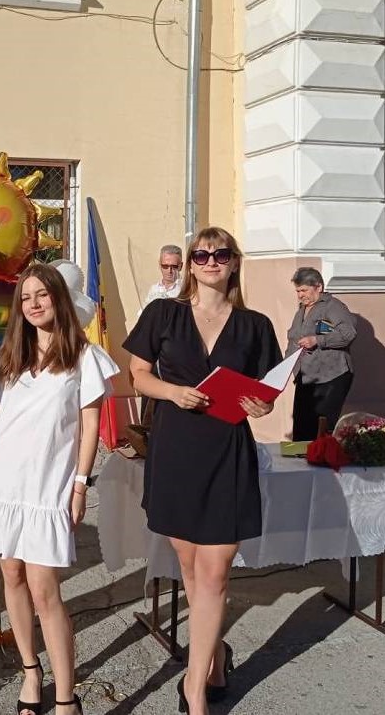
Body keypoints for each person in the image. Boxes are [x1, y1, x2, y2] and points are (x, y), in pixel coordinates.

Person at [123, 227, 282, 715]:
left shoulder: (254, 325)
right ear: (191, 264)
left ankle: (194, 690)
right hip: (176, 450)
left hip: (227, 450)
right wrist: (173, 392)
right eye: (201, 254)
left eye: (220, 254)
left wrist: (261, 406)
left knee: (214, 572)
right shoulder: (163, 313)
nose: (211, 261)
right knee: (191, 566)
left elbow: (267, 391)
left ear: (234, 262)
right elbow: (137, 376)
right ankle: (213, 661)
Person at [0, 264, 119, 715]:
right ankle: (31, 671)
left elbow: (90, 427)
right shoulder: (8, 357)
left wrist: (80, 485)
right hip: (2, 481)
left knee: (45, 591)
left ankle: (66, 696)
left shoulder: (85, 357)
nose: (33, 304)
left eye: (41, 295)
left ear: (59, 299)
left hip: (47, 486)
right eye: (25, 297)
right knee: (11, 575)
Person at [286, 267, 356, 440]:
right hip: (306, 378)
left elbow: (348, 334)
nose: (300, 295)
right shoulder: (301, 311)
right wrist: (286, 368)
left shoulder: (334, 307)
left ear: (318, 287)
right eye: (297, 291)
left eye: (304, 290)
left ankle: (321, 457)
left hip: (331, 377)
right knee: (301, 429)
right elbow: (293, 340)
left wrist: (317, 340)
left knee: (321, 430)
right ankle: (303, 458)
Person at [141, 244, 183, 309]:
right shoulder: (154, 289)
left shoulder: (186, 289)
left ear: (181, 266)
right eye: (165, 266)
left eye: (174, 266)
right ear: (160, 265)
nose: (169, 270)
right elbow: (143, 311)